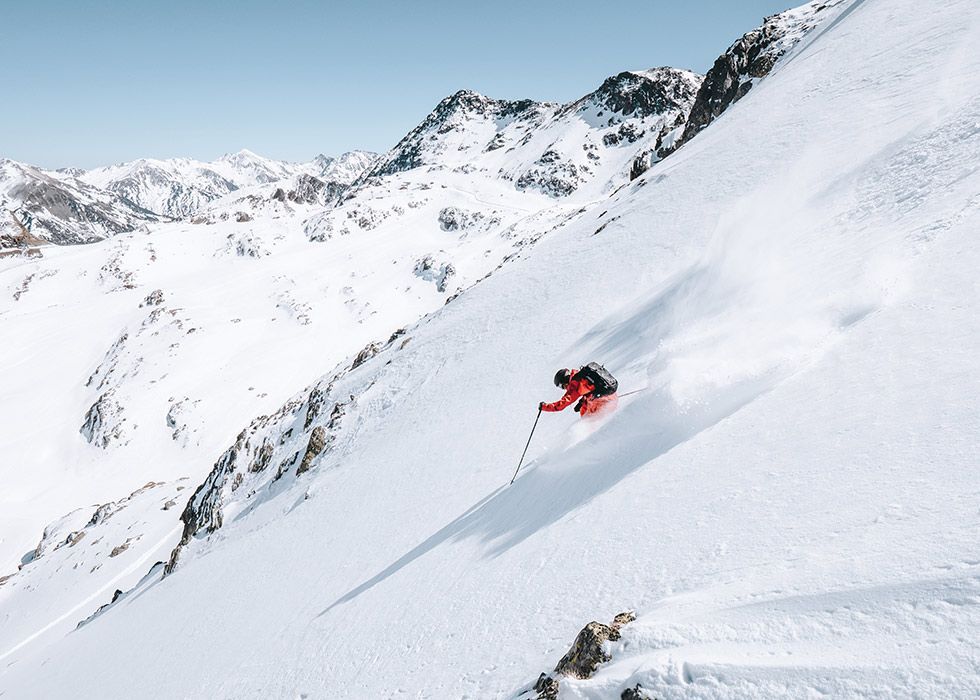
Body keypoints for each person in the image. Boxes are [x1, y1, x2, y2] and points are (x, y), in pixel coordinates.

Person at [540, 362, 618, 417]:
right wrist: (581, 402)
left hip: (602, 403)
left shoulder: (574, 384)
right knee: (584, 408)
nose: (564, 389)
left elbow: (562, 404)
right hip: (611, 396)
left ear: (564, 382)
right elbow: (589, 389)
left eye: (562, 386)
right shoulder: (581, 375)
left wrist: (544, 407)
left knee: (587, 417)